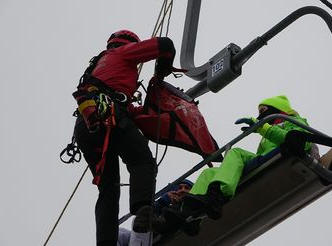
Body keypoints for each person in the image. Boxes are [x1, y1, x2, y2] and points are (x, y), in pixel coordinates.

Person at [72, 29, 176, 246]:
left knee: (108, 188)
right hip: (109, 115)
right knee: (142, 161)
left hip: (87, 123)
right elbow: (165, 44)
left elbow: (125, 109)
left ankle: (106, 242)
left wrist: (143, 111)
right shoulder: (122, 53)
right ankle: (144, 215)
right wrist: (162, 72)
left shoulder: (100, 66)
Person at [164, 95, 313, 229]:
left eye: (263, 111)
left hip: (281, 155)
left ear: (277, 109)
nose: (260, 115)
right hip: (264, 158)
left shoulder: (292, 121)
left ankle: (218, 195)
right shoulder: (269, 130)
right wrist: (265, 128)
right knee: (209, 172)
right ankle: (188, 214)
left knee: (236, 152)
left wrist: (264, 127)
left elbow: (299, 141)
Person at [117, 180, 194, 246]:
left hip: (150, 234)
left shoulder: (189, 205)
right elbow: (145, 213)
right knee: (115, 232)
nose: (182, 190)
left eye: (187, 188)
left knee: (141, 220)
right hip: (146, 235)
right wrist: (161, 202)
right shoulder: (167, 207)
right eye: (179, 188)